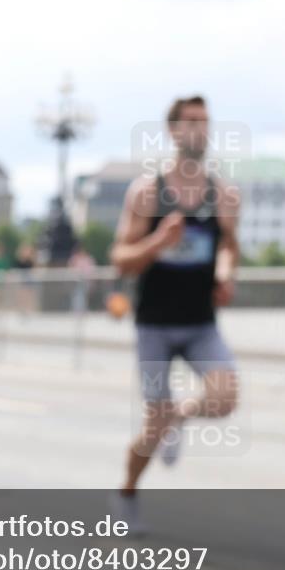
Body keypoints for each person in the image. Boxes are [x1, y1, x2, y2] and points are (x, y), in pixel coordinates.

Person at [108, 95, 241, 533]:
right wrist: (159, 242)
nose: (199, 130)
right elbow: (122, 259)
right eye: (190, 122)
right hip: (155, 325)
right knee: (151, 424)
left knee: (224, 398)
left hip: (201, 322)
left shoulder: (222, 194)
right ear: (172, 131)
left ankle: (177, 418)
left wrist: (225, 275)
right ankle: (127, 493)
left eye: (205, 122)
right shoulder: (148, 192)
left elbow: (228, 248)